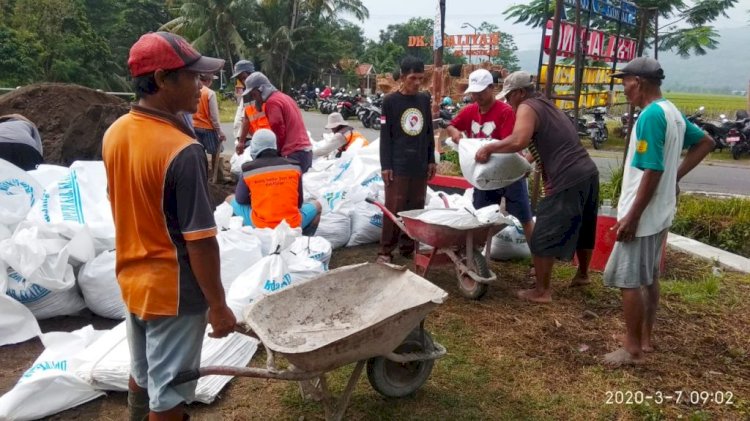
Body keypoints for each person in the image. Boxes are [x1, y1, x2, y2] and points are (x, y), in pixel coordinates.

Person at [102, 31, 235, 421]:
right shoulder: (182, 150)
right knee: (170, 396)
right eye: (193, 76)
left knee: (142, 374)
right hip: (175, 291)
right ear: (162, 79)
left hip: (133, 280)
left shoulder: (116, 133)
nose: (201, 85)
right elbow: (200, 241)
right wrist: (218, 305)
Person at [603, 58, 714, 366]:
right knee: (649, 277)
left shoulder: (651, 116)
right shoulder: (672, 111)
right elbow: (706, 141)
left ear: (638, 82)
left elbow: (651, 168)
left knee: (629, 280)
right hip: (661, 211)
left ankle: (632, 349)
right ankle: (646, 339)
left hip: (644, 213)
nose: (623, 88)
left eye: (625, 81)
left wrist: (632, 216)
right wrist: (674, 178)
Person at [475, 70, 599, 303]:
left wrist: (489, 148)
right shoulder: (546, 105)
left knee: (542, 233)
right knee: (584, 227)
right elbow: (540, 145)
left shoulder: (527, 107)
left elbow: (518, 140)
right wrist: (524, 164)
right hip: (587, 172)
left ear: (520, 93)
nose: (509, 103)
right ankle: (583, 275)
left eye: (510, 96)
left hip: (566, 176)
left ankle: (542, 291)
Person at [446, 69, 534, 244]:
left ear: (492, 88)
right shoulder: (469, 111)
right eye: (474, 92)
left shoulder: (506, 111)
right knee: (481, 216)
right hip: (484, 175)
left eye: (481, 92)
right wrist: (454, 131)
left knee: (524, 218)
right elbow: (451, 124)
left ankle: (536, 259)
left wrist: (489, 150)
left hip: (509, 174)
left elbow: (512, 143)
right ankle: (477, 253)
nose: (477, 96)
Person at [378, 56, 436, 264]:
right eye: (413, 78)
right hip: (398, 164)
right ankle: (386, 250)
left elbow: (429, 130)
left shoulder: (423, 100)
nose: (417, 82)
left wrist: (431, 159)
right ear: (402, 77)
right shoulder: (390, 102)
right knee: (394, 206)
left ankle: (408, 246)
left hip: (419, 163)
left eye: (421, 78)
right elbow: (386, 136)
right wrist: (386, 165)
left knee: (416, 207)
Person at [228, 128, 321, 235]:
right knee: (318, 205)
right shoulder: (294, 166)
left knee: (229, 199)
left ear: (254, 146)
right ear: (275, 145)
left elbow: (240, 199)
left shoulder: (248, 169)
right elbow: (299, 203)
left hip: (261, 227)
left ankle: (243, 235)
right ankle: (301, 239)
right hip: (292, 225)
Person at [238, 72, 313, 173]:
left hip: (292, 153)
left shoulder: (272, 102)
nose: (254, 98)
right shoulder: (285, 98)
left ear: (261, 89)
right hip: (304, 151)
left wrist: (274, 155)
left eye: (254, 94)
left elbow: (278, 130)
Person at [192, 73, 226, 182]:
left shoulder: (193, 90)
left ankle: (202, 175)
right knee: (216, 151)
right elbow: (214, 116)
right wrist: (220, 131)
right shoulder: (209, 93)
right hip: (208, 128)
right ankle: (217, 176)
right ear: (209, 80)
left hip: (194, 126)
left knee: (199, 153)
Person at [231, 60, 256, 142]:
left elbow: (249, 119)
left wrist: (241, 141)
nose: (243, 81)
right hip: (243, 136)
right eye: (240, 79)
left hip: (251, 138)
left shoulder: (256, 92)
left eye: (244, 77)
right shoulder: (246, 93)